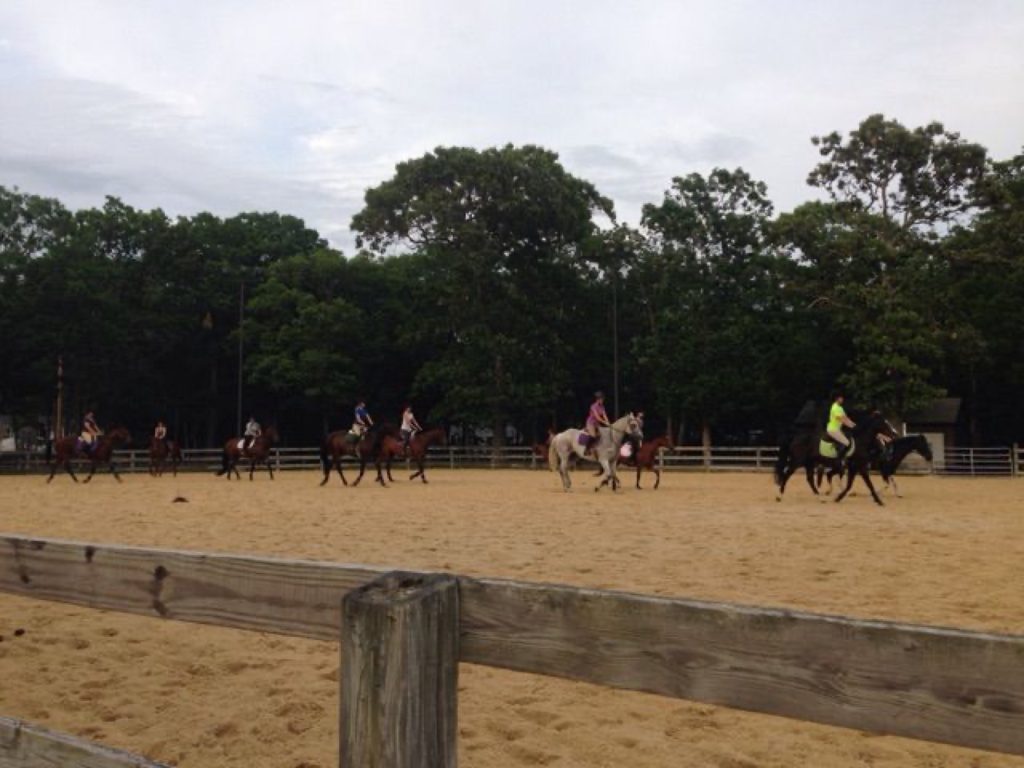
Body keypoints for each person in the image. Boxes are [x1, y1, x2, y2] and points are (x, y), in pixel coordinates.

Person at [826, 392, 855, 460]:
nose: (842, 399)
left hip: (838, 429)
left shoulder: (840, 408)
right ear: (837, 399)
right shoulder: (835, 407)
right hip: (833, 429)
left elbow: (846, 418)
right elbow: (841, 420)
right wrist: (851, 426)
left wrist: (854, 424)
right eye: (841, 398)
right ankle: (839, 460)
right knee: (846, 443)